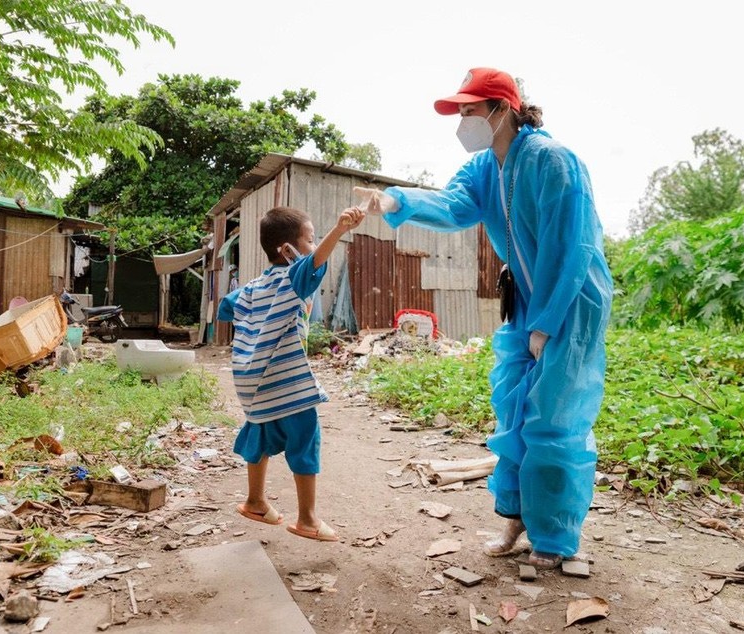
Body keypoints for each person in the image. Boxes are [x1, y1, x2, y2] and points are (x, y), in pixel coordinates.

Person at [354, 67, 612, 567]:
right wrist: (392, 200)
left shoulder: (554, 160)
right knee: (514, 413)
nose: (462, 120)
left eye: (470, 110)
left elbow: (573, 247)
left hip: (571, 301)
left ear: (502, 109)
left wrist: (548, 321)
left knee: (554, 419)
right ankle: (517, 521)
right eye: (460, 111)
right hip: (525, 301)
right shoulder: (482, 171)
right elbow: (453, 207)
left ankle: (555, 539)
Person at [218, 204, 365, 542]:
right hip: (285, 380)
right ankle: (308, 519)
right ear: (287, 250)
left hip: (252, 381)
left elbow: (227, 307)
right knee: (305, 438)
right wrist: (340, 229)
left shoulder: (254, 287)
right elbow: (313, 264)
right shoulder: (292, 278)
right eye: (310, 240)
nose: (315, 247)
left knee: (261, 435)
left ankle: (255, 501)